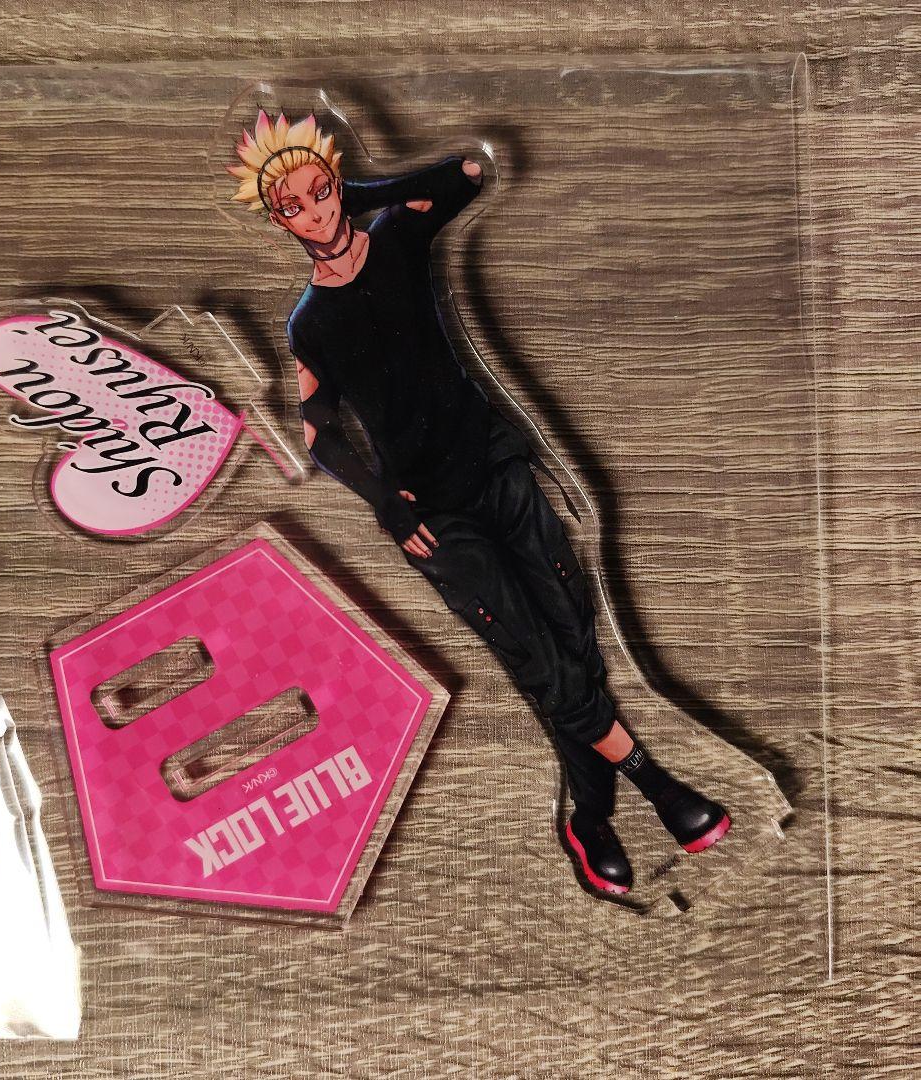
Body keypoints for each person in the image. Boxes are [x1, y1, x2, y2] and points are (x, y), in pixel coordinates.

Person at [228, 109, 731, 895]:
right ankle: (659, 786)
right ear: (277, 221)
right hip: (430, 514)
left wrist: (364, 191)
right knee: (534, 649)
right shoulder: (309, 324)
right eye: (292, 205)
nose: (315, 212)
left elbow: (466, 173)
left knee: (569, 630)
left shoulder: (399, 237)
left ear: (339, 184)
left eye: (321, 191)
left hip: (494, 462)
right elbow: (319, 436)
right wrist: (384, 503)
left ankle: (589, 814)